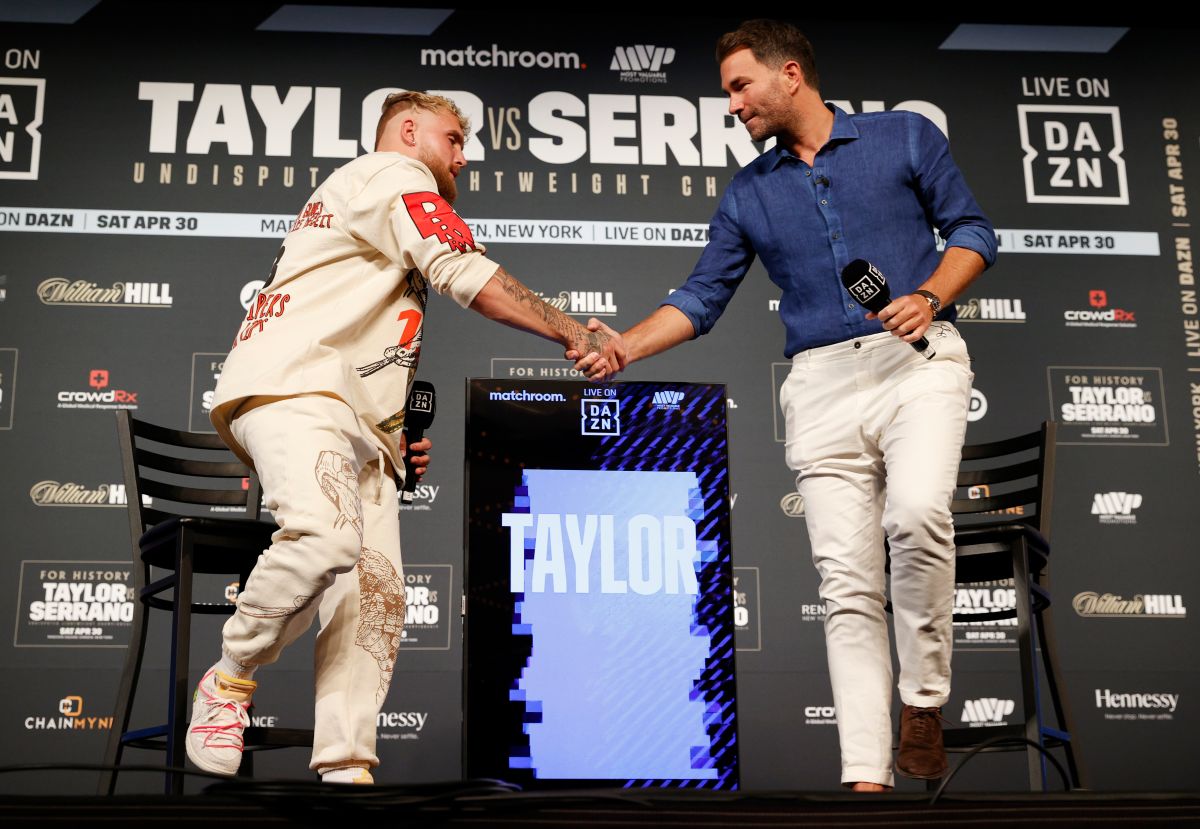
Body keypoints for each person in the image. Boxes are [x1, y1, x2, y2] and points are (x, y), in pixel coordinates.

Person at [574, 21, 996, 790]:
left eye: (740, 86)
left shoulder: (903, 137)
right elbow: (703, 295)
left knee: (915, 515)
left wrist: (931, 294)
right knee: (846, 586)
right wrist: (625, 347)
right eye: (727, 91)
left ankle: (924, 701)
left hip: (918, 363)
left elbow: (973, 229)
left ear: (790, 74)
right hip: (821, 385)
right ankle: (867, 774)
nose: (732, 104)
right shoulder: (750, 190)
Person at [190, 90, 620, 784]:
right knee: (326, 538)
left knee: (377, 598)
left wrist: (390, 437)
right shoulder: (396, 176)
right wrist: (571, 329)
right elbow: (465, 273)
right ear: (410, 130)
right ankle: (231, 678)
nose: (463, 155)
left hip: (354, 418)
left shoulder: (368, 194)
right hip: (299, 392)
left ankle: (346, 768)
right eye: (454, 138)